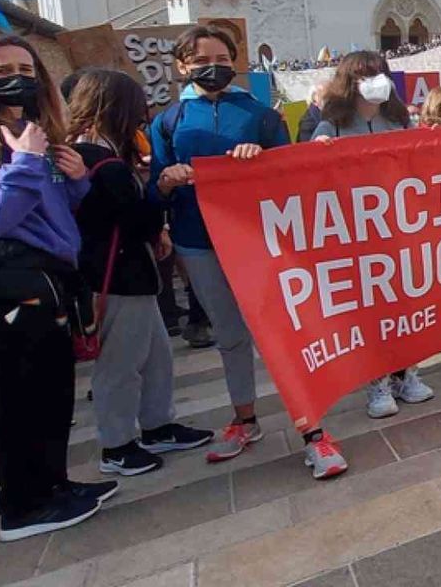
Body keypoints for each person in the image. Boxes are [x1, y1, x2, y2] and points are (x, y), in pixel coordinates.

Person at [149, 26, 347, 480]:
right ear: (182, 66)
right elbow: (153, 190)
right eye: (200, 61)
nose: (211, 67)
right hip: (197, 242)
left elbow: (291, 179)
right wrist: (165, 180)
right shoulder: (167, 121)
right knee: (230, 335)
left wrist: (263, 162)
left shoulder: (261, 116)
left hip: (259, 239)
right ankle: (245, 420)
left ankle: (314, 432)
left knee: (281, 334)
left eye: (221, 57)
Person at [0, 29, 104, 541]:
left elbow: (45, 215)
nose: (16, 81)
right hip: (2, 289)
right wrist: (26, 162)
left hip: (45, 280)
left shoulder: (33, 132)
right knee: (19, 401)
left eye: (26, 72)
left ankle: (55, 487)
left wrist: (74, 180)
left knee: (52, 395)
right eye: (2, 73)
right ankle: (22, 506)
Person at [67, 69, 213, 477]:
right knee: (121, 364)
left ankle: (157, 425)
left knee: (155, 357)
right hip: (116, 278)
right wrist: (162, 192)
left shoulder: (99, 156)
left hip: (133, 273)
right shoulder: (101, 161)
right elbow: (129, 220)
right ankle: (116, 445)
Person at [312, 52, 436, 418]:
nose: (377, 80)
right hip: (356, 235)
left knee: (405, 306)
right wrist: (317, 155)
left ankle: (407, 372)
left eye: (381, 73)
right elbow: (308, 175)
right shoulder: (330, 125)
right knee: (371, 311)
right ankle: (377, 381)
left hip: (399, 228)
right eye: (367, 75)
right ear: (350, 82)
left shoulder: (398, 121)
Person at [296, 78, 330, 143]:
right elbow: (305, 149)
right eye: (326, 98)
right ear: (315, 101)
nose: (332, 100)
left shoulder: (339, 112)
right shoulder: (308, 123)